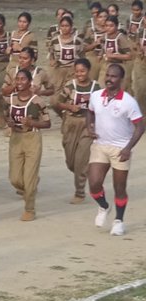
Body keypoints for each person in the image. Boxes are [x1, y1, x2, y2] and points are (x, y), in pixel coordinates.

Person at [88, 63, 145, 236]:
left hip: (120, 149)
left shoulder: (129, 102)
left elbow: (140, 127)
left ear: (121, 79)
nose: (109, 79)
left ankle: (119, 220)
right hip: (100, 145)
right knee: (94, 183)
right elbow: (89, 112)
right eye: (107, 75)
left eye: (113, 76)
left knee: (119, 187)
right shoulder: (96, 96)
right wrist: (89, 127)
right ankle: (104, 206)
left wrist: (128, 148)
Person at [6, 69, 52, 221]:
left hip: (32, 138)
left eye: (22, 79)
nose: (19, 82)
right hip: (16, 138)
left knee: (29, 178)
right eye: (17, 79)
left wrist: (32, 122)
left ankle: (29, 209)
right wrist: (9, 122)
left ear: (29, 82)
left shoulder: (37, 101)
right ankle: (30, 185)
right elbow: (6, 115)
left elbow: (47, 123)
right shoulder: (11, 99)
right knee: (14, 178)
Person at [55, 58, 98, 204]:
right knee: (71, 161)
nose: (80, 74)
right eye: (77, 71)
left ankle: (79, 192)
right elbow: (57, 102)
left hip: (87, 125)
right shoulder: (69, 86)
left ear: (88, 71)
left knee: (81, 159)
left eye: (83, 71)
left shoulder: (96, 87)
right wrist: (69, 107)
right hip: (71, 124)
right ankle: (82, 170)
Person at [99, 14, 134, 93]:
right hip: (106, 66)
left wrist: (113, 55)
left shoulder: (121, 37)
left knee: (118, 90)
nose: (108, 28)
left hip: (119, 67)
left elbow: (129, 56)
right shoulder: (105, 36)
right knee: (102, 88)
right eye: (106, 26)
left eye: (111, 26)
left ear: (117, 26)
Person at [48, 15, 82, 96]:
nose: (64, 28)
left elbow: (81, 55)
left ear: (71, 27)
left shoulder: (77, 41)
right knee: (56, 95)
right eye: (62, 26)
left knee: (71, 92)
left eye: (67, 26)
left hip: (73, 70)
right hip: (59, 70)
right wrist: (53, 61)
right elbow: (51, 54)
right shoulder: (55, 40)